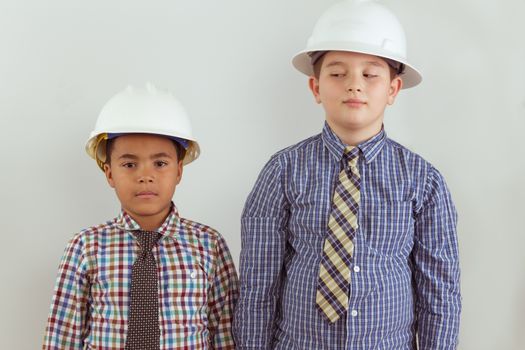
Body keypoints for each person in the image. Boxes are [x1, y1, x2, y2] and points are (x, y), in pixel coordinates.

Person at [233, 1, 461, 349]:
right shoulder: (282, 171)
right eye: (337, 74)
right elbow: (257, 283)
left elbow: (440, 292)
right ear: (315, 88)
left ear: (393, 90)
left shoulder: (423, 181)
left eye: (370, 75)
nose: (354, 85)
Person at [43, 84, 238, 349]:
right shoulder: (85, 246)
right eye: (129, 164)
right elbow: (63, 336)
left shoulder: (209, 244)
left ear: (178, 171)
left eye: (160, 163)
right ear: (109, 173)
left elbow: (225, 332)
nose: (145, 175)